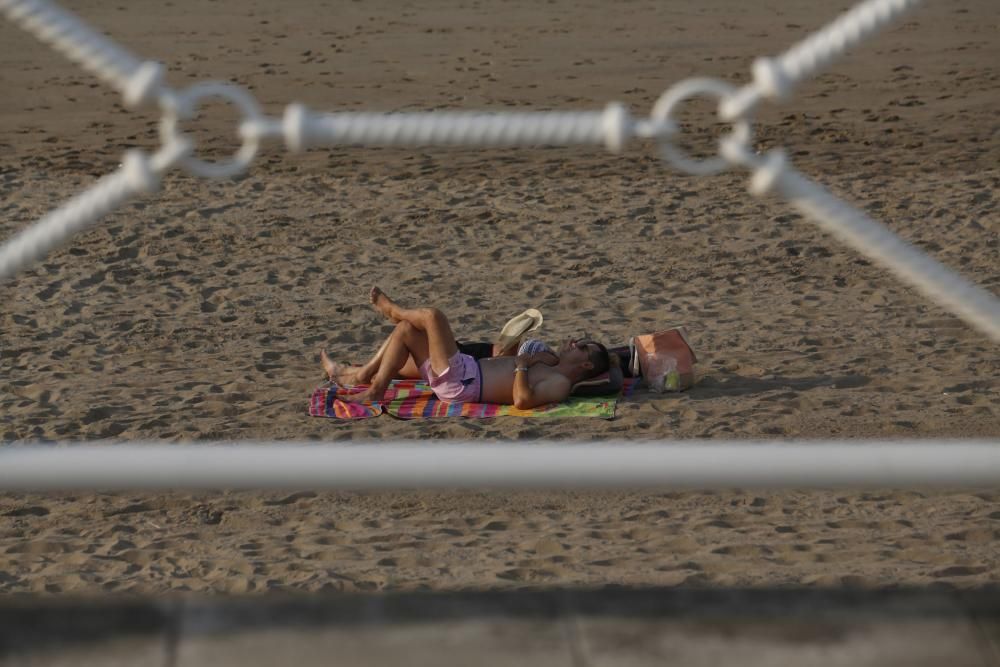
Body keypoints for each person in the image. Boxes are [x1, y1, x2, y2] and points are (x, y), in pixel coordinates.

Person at [327, 287, 611, 408]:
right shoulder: (551, 362)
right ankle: (372, 385)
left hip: (465, 383)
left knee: (432, 317)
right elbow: (521, 352)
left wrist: (522, 366)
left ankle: (393, 310)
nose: (574, 342)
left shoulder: (559, 383)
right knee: (406, 331)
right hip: (465, 371)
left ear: (586, 364)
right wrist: (532, 355)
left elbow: (522, 401)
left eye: (581, 346)